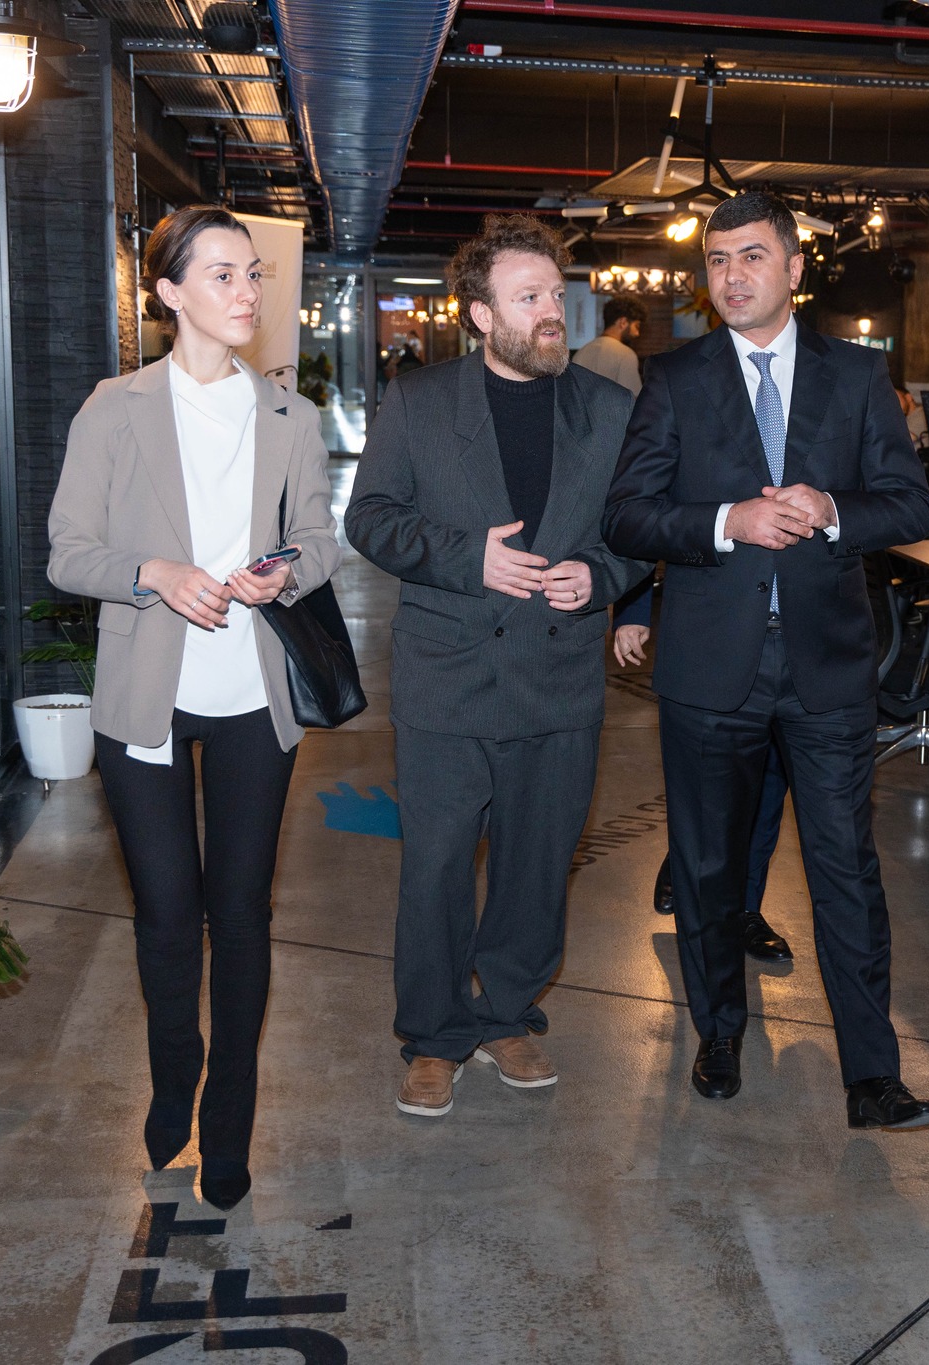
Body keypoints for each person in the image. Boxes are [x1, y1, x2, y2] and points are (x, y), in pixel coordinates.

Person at [603, 190, 929, 1131]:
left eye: (752, 256)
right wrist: (728, 521)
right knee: (708, 867)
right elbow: (626, 516)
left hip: (828, 666)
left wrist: (832, 510)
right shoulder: (675, 378)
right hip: (712, 669)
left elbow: (911, 505)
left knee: (846, 869)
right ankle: (718, 1032)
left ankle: (872, 1075)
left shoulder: (857, 374)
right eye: (718, 260)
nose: (732, 275)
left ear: (795, 268)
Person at [47, 204, 341, 1211]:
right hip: (147, 697)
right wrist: (154, 573)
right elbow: (68, 552)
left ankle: (229, 1118)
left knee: (242, 915)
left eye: (253, 273)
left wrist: (284, 571)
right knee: (167, 915)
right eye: (221, 274)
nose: (246, 292)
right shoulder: (113, 409)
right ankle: (174, 1075)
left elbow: (321, 539)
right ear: (168, 291)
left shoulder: (290, 417)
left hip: (256, 696)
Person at [347, 214, 646, 1119]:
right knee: (436, 865)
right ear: (480, 314)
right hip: (448, 676)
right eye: (529, 298)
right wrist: (464, 557)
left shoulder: (609, 410)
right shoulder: (419, 402)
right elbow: (370, 518)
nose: (552, 311)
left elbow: (639, 532)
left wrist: (600, 577)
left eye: (555, 294)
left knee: (537, 863)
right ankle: (435, 1033)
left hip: (559, 681)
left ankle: (508, 1010)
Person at [613, 578, 797, 961]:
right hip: (714, 625)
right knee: (711, 780)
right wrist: (634, 610)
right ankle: (689, 855)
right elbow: (654, 537)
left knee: (770, 781)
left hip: (804, 633)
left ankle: (746, 910)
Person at [572, 295, 647, 396]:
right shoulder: (626, 354)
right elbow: (633, 398)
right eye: (636, 326)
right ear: (623, 322)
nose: (637, 333)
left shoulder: (581, 353)